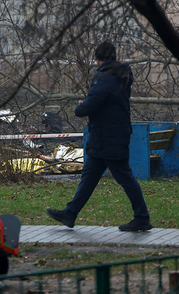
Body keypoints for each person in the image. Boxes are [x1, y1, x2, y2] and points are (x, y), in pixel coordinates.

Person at [46, 42, 152, 231]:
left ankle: (142, 218)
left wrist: (81, 105)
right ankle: (70, 214)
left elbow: (89, 105)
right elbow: (106, 102)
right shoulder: (120, 75)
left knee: (125, 177)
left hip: (107, 136)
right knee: (89, 177)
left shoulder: (104, 77)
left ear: (98, 59)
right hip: (109, 135)